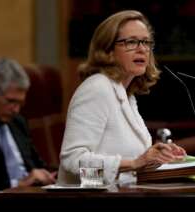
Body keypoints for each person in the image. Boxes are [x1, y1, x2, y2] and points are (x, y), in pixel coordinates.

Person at [57, 10, 186, 185]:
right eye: (131, 42)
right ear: (108, 50)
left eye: (146, 42)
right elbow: (72, 161)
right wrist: (134, 163)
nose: (142, 49)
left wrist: (160, 157)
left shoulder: (126, 94)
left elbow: (131, 168)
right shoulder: (97, 88)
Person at [0, 58, 56, 209]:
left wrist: (53, 175)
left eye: (20, 104)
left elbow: (37, 164)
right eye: (11, 101)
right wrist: (18, 184)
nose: (16, 110)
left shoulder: (18, 122)